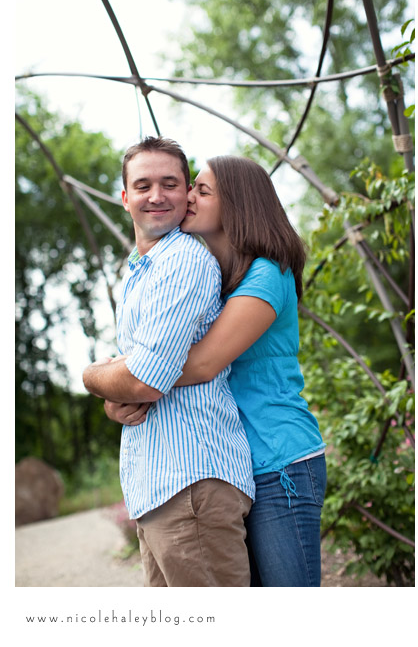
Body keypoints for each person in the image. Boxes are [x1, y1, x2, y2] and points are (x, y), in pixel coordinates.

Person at [114, 155, 327, 587]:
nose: (188, 196)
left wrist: (118, 377)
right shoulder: (226, 275)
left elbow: (202, 363)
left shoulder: (269, 274)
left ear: (237, 205)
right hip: (244, 460)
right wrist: (124, 389)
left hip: (278, 457)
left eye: (203, 190)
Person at [82, 137, 255, 587]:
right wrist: (113, 399)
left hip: (190, 483)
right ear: (125, 198)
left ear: (187, 194)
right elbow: (136, 379)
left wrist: (92, 377)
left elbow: (143, 380)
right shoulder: (141, 269)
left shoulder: (183, 261)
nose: (156, 195)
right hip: (159, 488)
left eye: (170, 184)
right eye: (143, 185)